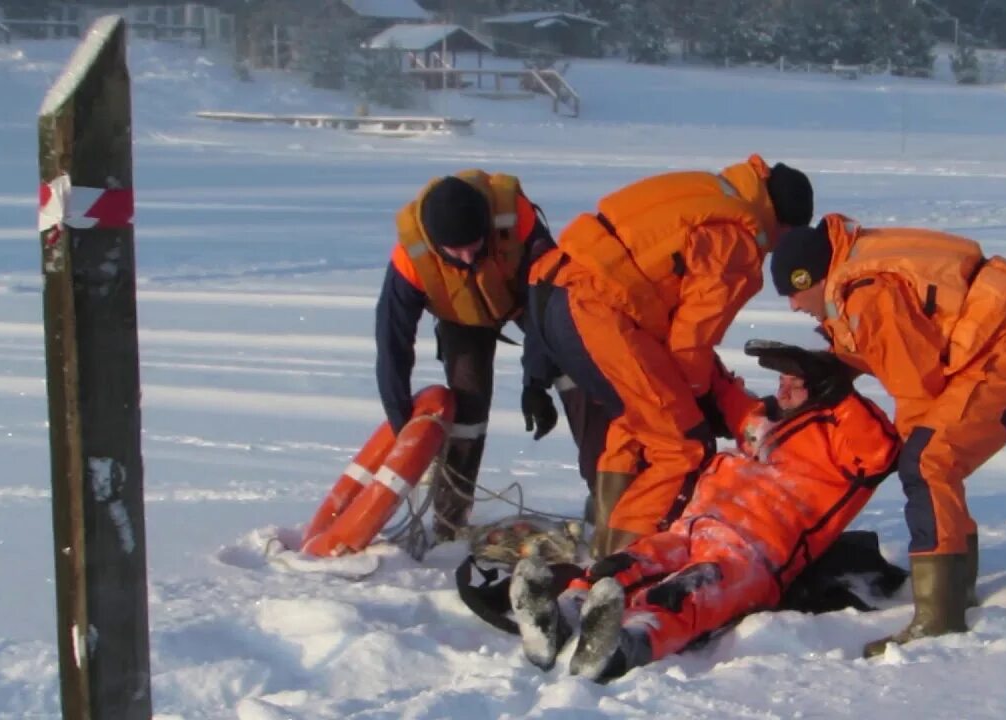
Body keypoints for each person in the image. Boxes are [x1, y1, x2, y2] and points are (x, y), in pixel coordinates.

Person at [767, 213, 1006, 657]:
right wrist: (828, 368)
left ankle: (939, 616)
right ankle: (955, 589)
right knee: (929, 459)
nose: (794, 306)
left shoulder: (867, 294)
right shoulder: (851, 278)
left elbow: (916, 388)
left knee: (929, 460)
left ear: (810, 277)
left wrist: (906, 456)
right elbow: (896, 345)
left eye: (794, 293)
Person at [510, 344, 901, 682]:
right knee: (625, 564)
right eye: (781, 379)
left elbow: (882, 451)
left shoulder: (842, 447)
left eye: (795, 383)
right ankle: (560, 614)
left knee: (685, 592)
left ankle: (625, 647)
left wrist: (842, 396)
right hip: (691, 528)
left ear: (822, 391)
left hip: (753, 552)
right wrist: (681, 341)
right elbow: (722, 389)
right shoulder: (762, 422)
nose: (782, 388)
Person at [521, 155, 815, 557]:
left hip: (553, 293)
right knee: (682, 445)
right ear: (782, 226)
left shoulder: (708, 190)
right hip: (599, 314)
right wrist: (696, 396)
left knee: (636, 426)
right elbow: (691, 339)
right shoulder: (738, 240)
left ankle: (603, 547)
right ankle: (621, 569)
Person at [376, 170, 580, 541]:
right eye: (457, 251)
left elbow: (547, 303)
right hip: (461, 317)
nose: (469, 257)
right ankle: (449, 523)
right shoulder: (411, 257)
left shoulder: (516, 220)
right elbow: (392, 343)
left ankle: (609, 495)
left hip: (525, 300)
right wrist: (399, 419)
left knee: (577, 369)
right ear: (437, 244)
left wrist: (536, 381)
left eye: (476, 244)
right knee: (467, 408)